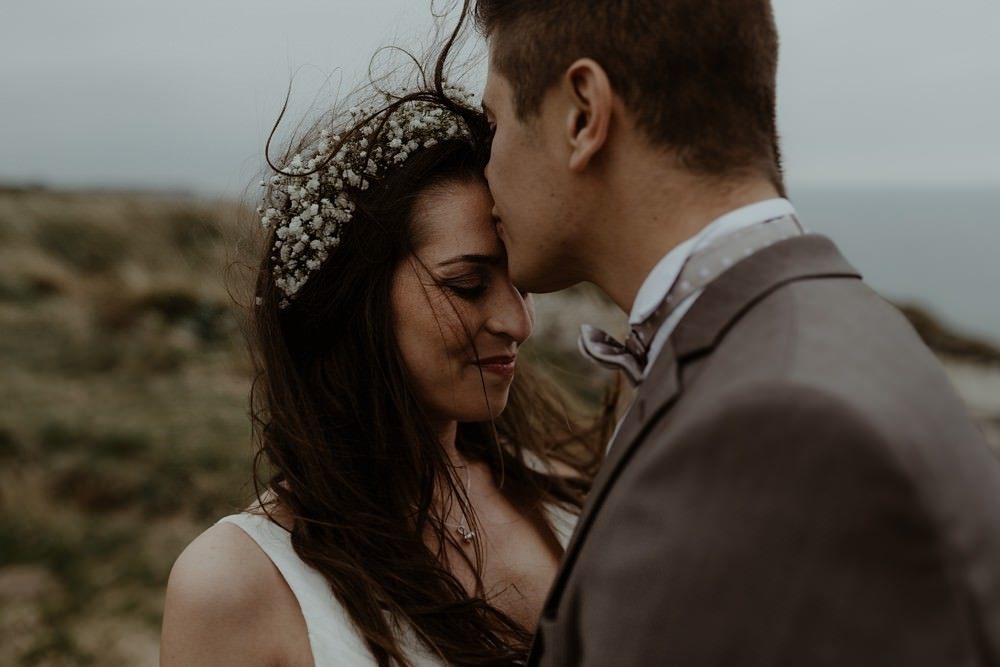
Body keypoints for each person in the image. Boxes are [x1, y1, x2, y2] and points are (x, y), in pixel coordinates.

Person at [468, 0, 1000, 664]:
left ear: (582, 114)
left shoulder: (773, 425)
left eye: (494, 123)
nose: (487, 169)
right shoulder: (833, 329)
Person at [160, 79, 608, 666]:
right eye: (466, 285)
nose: (518, 323)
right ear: (353, 298)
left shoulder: (565, 500)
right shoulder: (236, 584)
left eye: (520, 284)